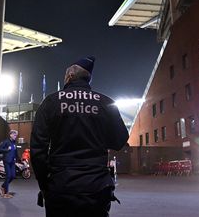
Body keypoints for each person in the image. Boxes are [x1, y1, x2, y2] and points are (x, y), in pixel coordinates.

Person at [30, 56, 129, 217]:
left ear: (69, 76)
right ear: (88, 79)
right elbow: (119, 141)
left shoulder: (51, 102)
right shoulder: (106, 103)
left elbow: (37, 149)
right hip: (97, 188)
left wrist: (44, 184)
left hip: (60, 187)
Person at [0, 130, 19, 198]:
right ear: (11, 135)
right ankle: (6, 193)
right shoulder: (6, 141)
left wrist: (20, 160)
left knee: (13, 176)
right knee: (8, 176)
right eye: (15, 135)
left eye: (16, 135)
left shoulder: (14, 143)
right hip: (6, 161)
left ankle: (3, 186)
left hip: (12, 162)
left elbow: (16, 153)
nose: (16, 136)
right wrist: (7, 149)